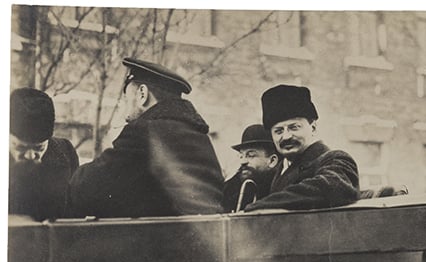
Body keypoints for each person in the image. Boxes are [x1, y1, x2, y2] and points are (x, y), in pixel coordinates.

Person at [68, 57, 224, 217]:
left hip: (162, 240)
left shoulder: (143, 132)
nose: (125, 111)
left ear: (142, 94)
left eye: (126, 99)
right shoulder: (199, 137)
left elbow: (86, 191)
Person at [245, 84, 360, 211]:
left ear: (313, 127)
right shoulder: (280, 168)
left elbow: (330, 188)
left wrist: (259, 206)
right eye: (278, 131)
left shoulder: (335, 159)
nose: (286, 136)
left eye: (294, 127)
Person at [9, 87, 79, 221]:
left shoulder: (65, 152)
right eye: (20, 147)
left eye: (39, 148)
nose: (30, 156)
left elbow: (72, 212)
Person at [222, 124, 280, 212]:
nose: (243, 161)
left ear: (272, 161)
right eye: (241, 156)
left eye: (251, 155)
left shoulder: (281, 186)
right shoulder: (230, 188)